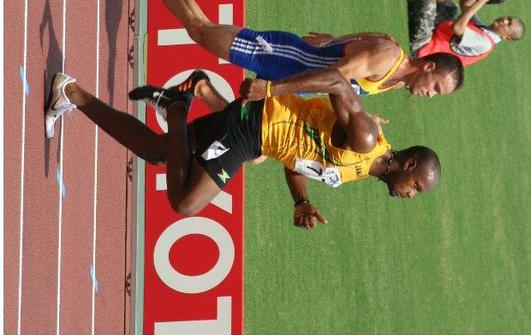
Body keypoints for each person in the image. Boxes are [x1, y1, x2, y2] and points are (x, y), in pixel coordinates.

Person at [44, 66, 441, 229]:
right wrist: (272, 88)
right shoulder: (367, 140)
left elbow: (296, 163)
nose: (411, 195)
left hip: (257, 134)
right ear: (407, 164)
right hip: (252, 125)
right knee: (184, 204)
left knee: (157, 150)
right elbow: (338, 81)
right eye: (417, 186)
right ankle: (179, 107)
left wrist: (299, 202)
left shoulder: (362, 170)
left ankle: (71, 92)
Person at [105, 0, 464, 97]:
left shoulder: (394, 76)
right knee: (201, 30)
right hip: (279, 57)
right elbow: (331, 77)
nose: (430, 95)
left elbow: (370, 35)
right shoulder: (388, 58)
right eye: (435, 88)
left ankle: (193, 89)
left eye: (437, 94)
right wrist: (275, 89)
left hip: (289, 80)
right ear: (430, 66)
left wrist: (334, 41)